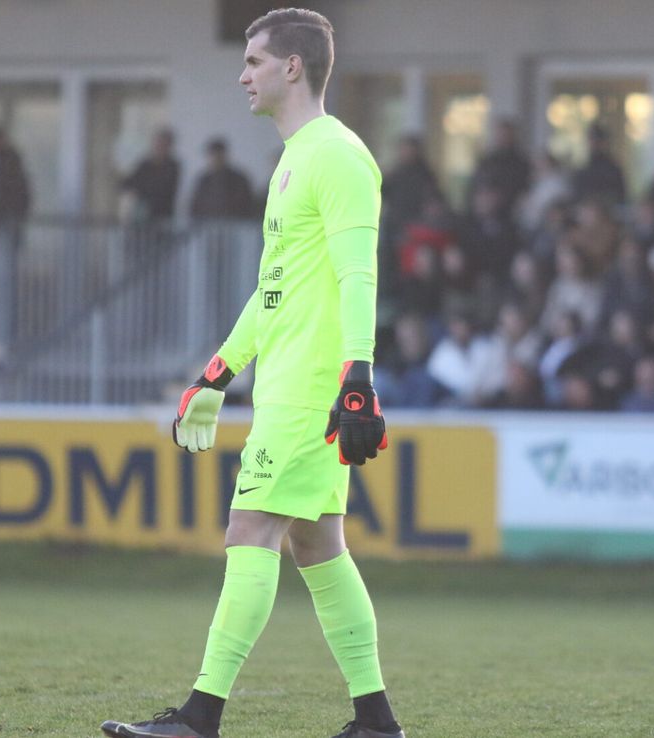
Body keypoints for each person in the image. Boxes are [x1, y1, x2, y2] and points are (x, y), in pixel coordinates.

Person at [100, 10, 404, 738]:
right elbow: (274, 292)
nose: (242, 75)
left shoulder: (337, 155)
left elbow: (359, 274)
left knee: (251, 529)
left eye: (255, 60)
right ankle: (376, 721)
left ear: (292, 68)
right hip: (290, 384)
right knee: (317, 544)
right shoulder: (297, 156)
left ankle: (200, 718)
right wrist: (215, 373)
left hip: (310, 390)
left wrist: (357, 376)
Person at [121, 127, 181, 221]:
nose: (159, 146)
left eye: (162, 143)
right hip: (141, 215)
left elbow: (163, 189)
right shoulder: (145, 164)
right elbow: (127, 184)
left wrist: (141, 188)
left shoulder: (173, 166)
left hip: (161, 216)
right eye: (157, 143)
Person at [189, 137, 256, 219]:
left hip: (235, 225)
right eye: (213, 156)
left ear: (225, 156)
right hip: (207, 225)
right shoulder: (203, 180)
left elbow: (247, 205)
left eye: (219, 156)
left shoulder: (239, 179)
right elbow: (195, 207)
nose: (216, 159)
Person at [571, 124, 626, 207]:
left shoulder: (612, 170)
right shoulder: (583, 171)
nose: (592, 144)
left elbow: (620, 198)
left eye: (596, 140)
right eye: (591, 140)